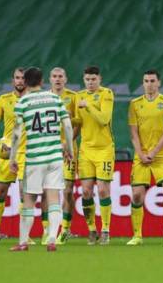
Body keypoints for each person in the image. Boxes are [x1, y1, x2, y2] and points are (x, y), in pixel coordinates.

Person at [8, 67, 74, 252]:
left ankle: (23, 242)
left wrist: (12, 157)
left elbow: (16, 133)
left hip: (34, 158)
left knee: (29, 200)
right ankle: (52, 238)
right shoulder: (55, 99)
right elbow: (67, 126)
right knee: (54, 198)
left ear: (26, 82)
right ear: (42, 81)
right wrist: (69, 148)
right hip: (54, 156)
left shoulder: (23, 102)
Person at [127, 70, 163, 245]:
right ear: (143, 83)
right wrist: (141, 154)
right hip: (141, 156)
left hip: (162, 156)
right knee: (136, 197)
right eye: (146, 81)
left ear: (159, 83)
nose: (149, 84)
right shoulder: (134, 104)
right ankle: (137, 235)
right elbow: (133, 132)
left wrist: (154, 152)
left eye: (152, 81)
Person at [0, 68, 28, 245]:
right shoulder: (4, 100)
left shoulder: (33, 100)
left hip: (26, 151)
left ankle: (25, 235)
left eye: (23, 78)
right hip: (7, 151)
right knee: (1, 190)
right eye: (17, 78)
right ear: (12, 81)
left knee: (25, 194)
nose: (20, 81)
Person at [73, 66, 115, 245]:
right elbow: (78, 122)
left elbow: (104, 119)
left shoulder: (106, 94)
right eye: (87, 79)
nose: (90, 83)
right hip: (85, 150)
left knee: (104, 189)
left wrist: (89, 106)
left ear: (100, 79)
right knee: (86, 191)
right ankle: (92, 230)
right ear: (84, 80)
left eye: (93, 79)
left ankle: (105, 230)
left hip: (104, 149)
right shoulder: (78, 96)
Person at [46, 68, 79, 245]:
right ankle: (48, 230)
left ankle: (65, 229)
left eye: (60, 77)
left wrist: (66, 143)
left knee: (67, 190)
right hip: (49, 150)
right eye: (54, 77)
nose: (57, 79)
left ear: (65, 79)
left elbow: (78, 124)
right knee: (48, 192)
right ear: (50, 80)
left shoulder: (73, 97)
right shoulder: (44, 98)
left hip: (68, 152)